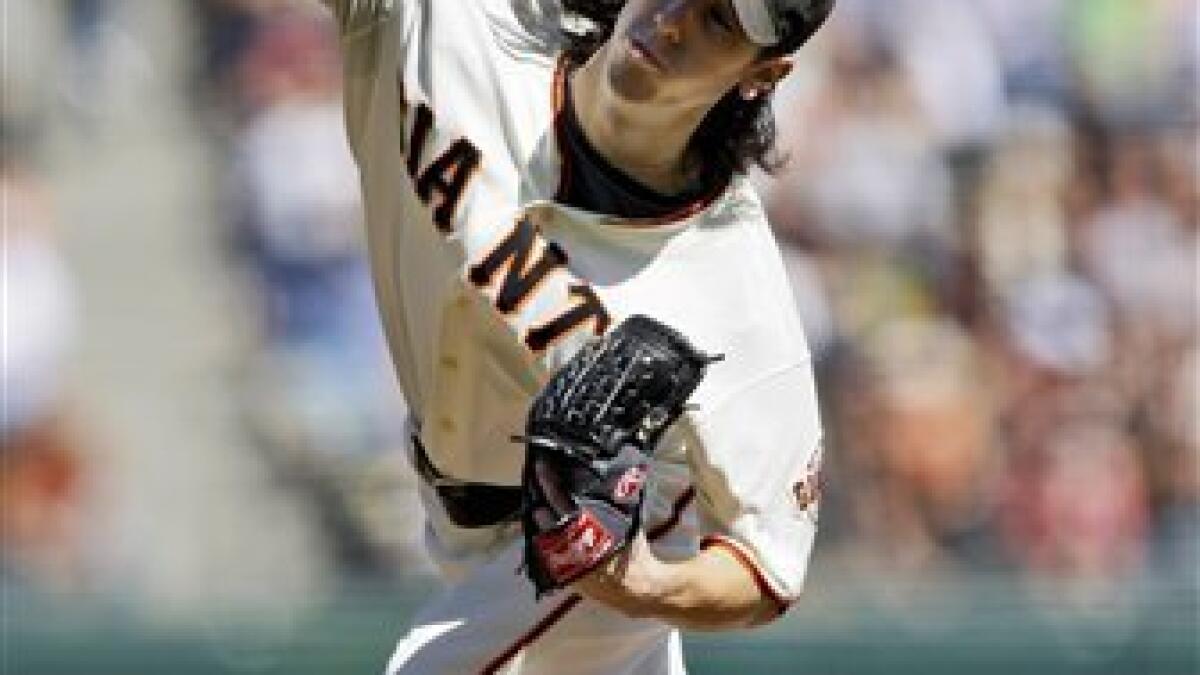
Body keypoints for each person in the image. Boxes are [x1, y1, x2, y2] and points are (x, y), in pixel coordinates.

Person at [317, 0, 834, 672]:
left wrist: (643, 583)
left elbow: (766, 566)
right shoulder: (454, 24)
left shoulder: (734, 290)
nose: (673, 18)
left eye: (717, 22)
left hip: (605, 536)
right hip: (452, 505)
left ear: (763, 73)